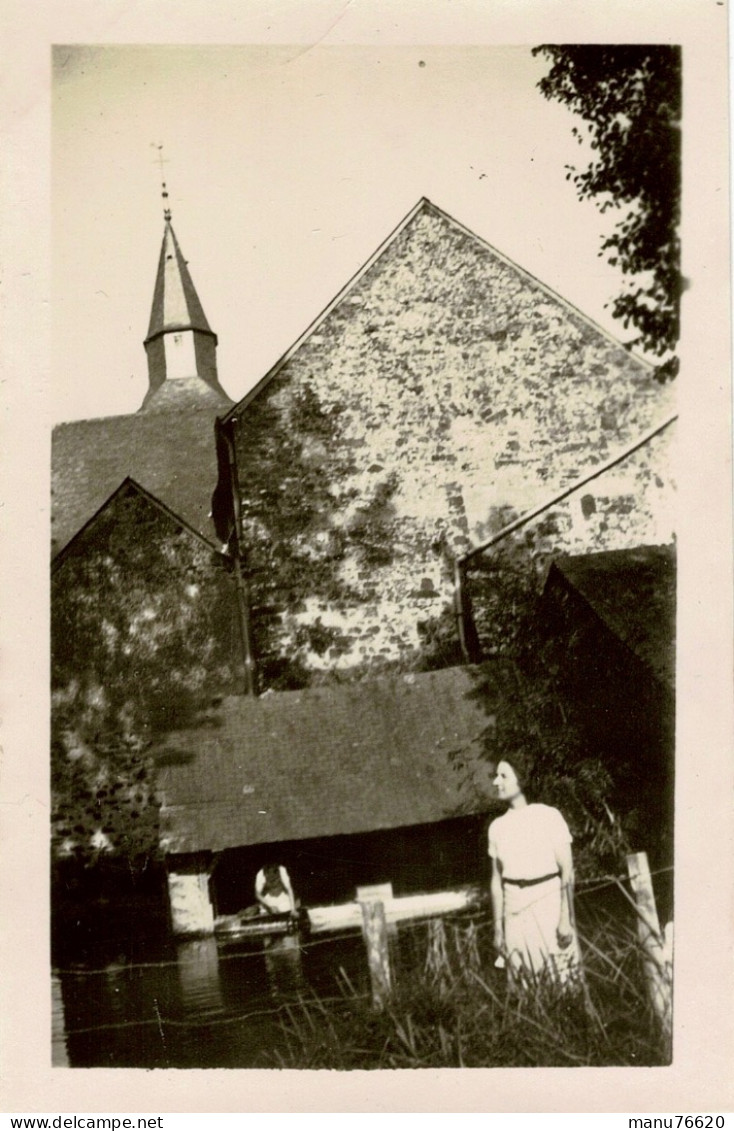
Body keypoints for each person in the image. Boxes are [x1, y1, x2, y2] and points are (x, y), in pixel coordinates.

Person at [488, 756, 581, 989]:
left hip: (546, 901)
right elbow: (496, 881)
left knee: (562, 977)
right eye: (496, 776)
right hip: (513, 908)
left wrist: (565, 918)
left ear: (522, 779)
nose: (496, 782)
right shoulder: (497, 827)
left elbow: (567, 871)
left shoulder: (548, 816)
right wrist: (498, 928)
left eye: (503, 776)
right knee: (522, 982)